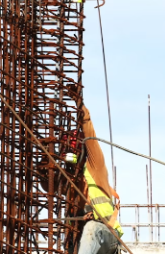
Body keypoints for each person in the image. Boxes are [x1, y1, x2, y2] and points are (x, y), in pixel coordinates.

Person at [54, 107, 124, 254]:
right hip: (83, 242)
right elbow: (49, 184)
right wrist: (42, 166)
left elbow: (90, 138)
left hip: (106, 233)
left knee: (91, 228)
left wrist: (82, 112)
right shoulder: (69, 180)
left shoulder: (94, 167)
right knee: (76, 239)